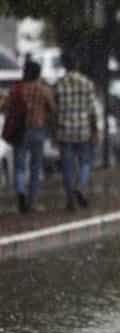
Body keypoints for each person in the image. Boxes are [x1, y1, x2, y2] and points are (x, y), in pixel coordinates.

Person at [3, 61, 55, 213]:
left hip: (20, 130)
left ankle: (20, 189)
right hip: (37, 130)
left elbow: (5, 106)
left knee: (19, 166)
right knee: (35, 166)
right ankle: (33, 202)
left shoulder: (16, 89)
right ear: (38, 73)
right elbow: (52, 108)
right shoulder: (43, 89)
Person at [54, 50, 100, 211]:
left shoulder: (59, 84)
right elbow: (93, 110)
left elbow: (54, 110)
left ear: (64, 65)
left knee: (67, 167)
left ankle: (70, 200)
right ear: (77, 64)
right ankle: (80, 186)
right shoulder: (87, 83)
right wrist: (95, 130)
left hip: (64, 130)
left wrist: (54, 130)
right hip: (83, 130)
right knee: (86, 162)